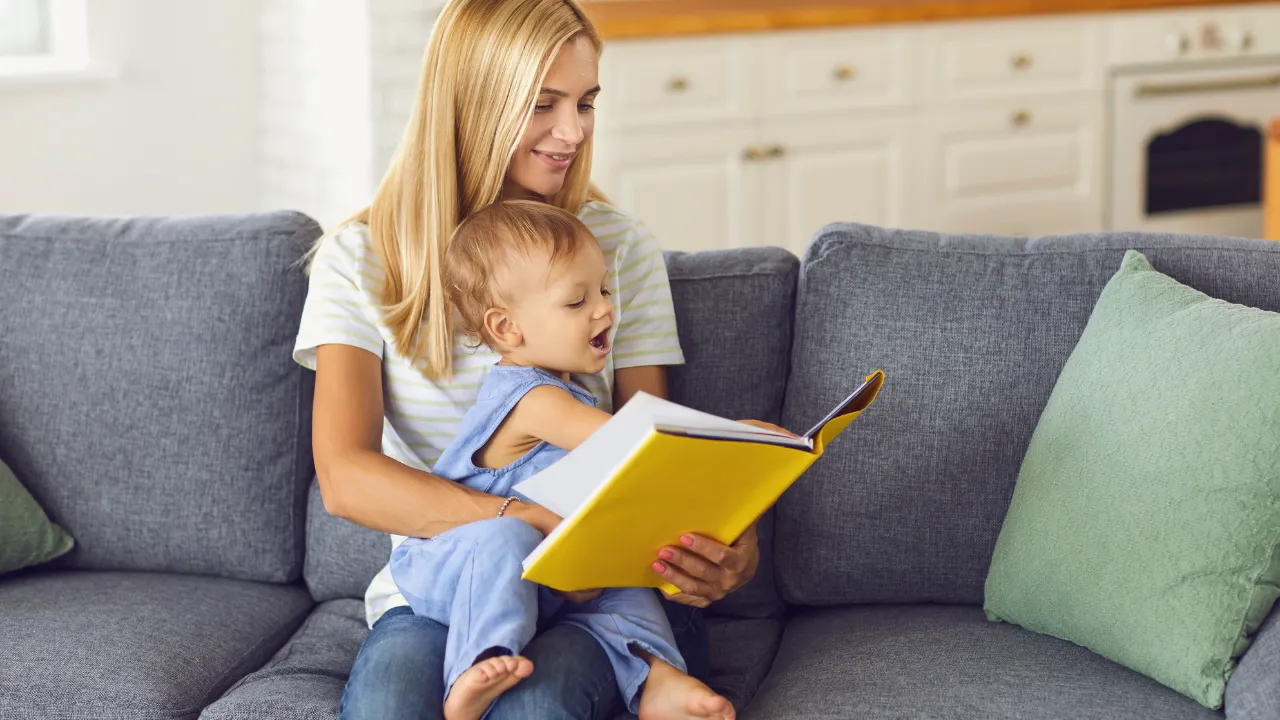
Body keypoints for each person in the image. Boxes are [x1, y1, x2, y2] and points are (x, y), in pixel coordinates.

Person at [293, 0, 772, 717]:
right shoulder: (360, 259)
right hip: (445, 585)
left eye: (586, 102)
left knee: (536, 706)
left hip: (593, 594)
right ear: (472, 103)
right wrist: (520, 526)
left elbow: (650, 449)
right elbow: (345, 476)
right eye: (543, 104)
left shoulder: (616, 246)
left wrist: (731, 547)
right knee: (390, 704)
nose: (573, 132)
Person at [388, 199, 736, 720]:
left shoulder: (570, 392)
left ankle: (657, 675)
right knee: (505, 534)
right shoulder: (532, 399)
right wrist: (738, 439)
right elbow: (637, 443)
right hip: (454, 568)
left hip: (543, 577)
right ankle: (475, 664)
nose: (604, 310)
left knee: (620, 574)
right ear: (506, 328)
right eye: (577, 302)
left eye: (604, 291)